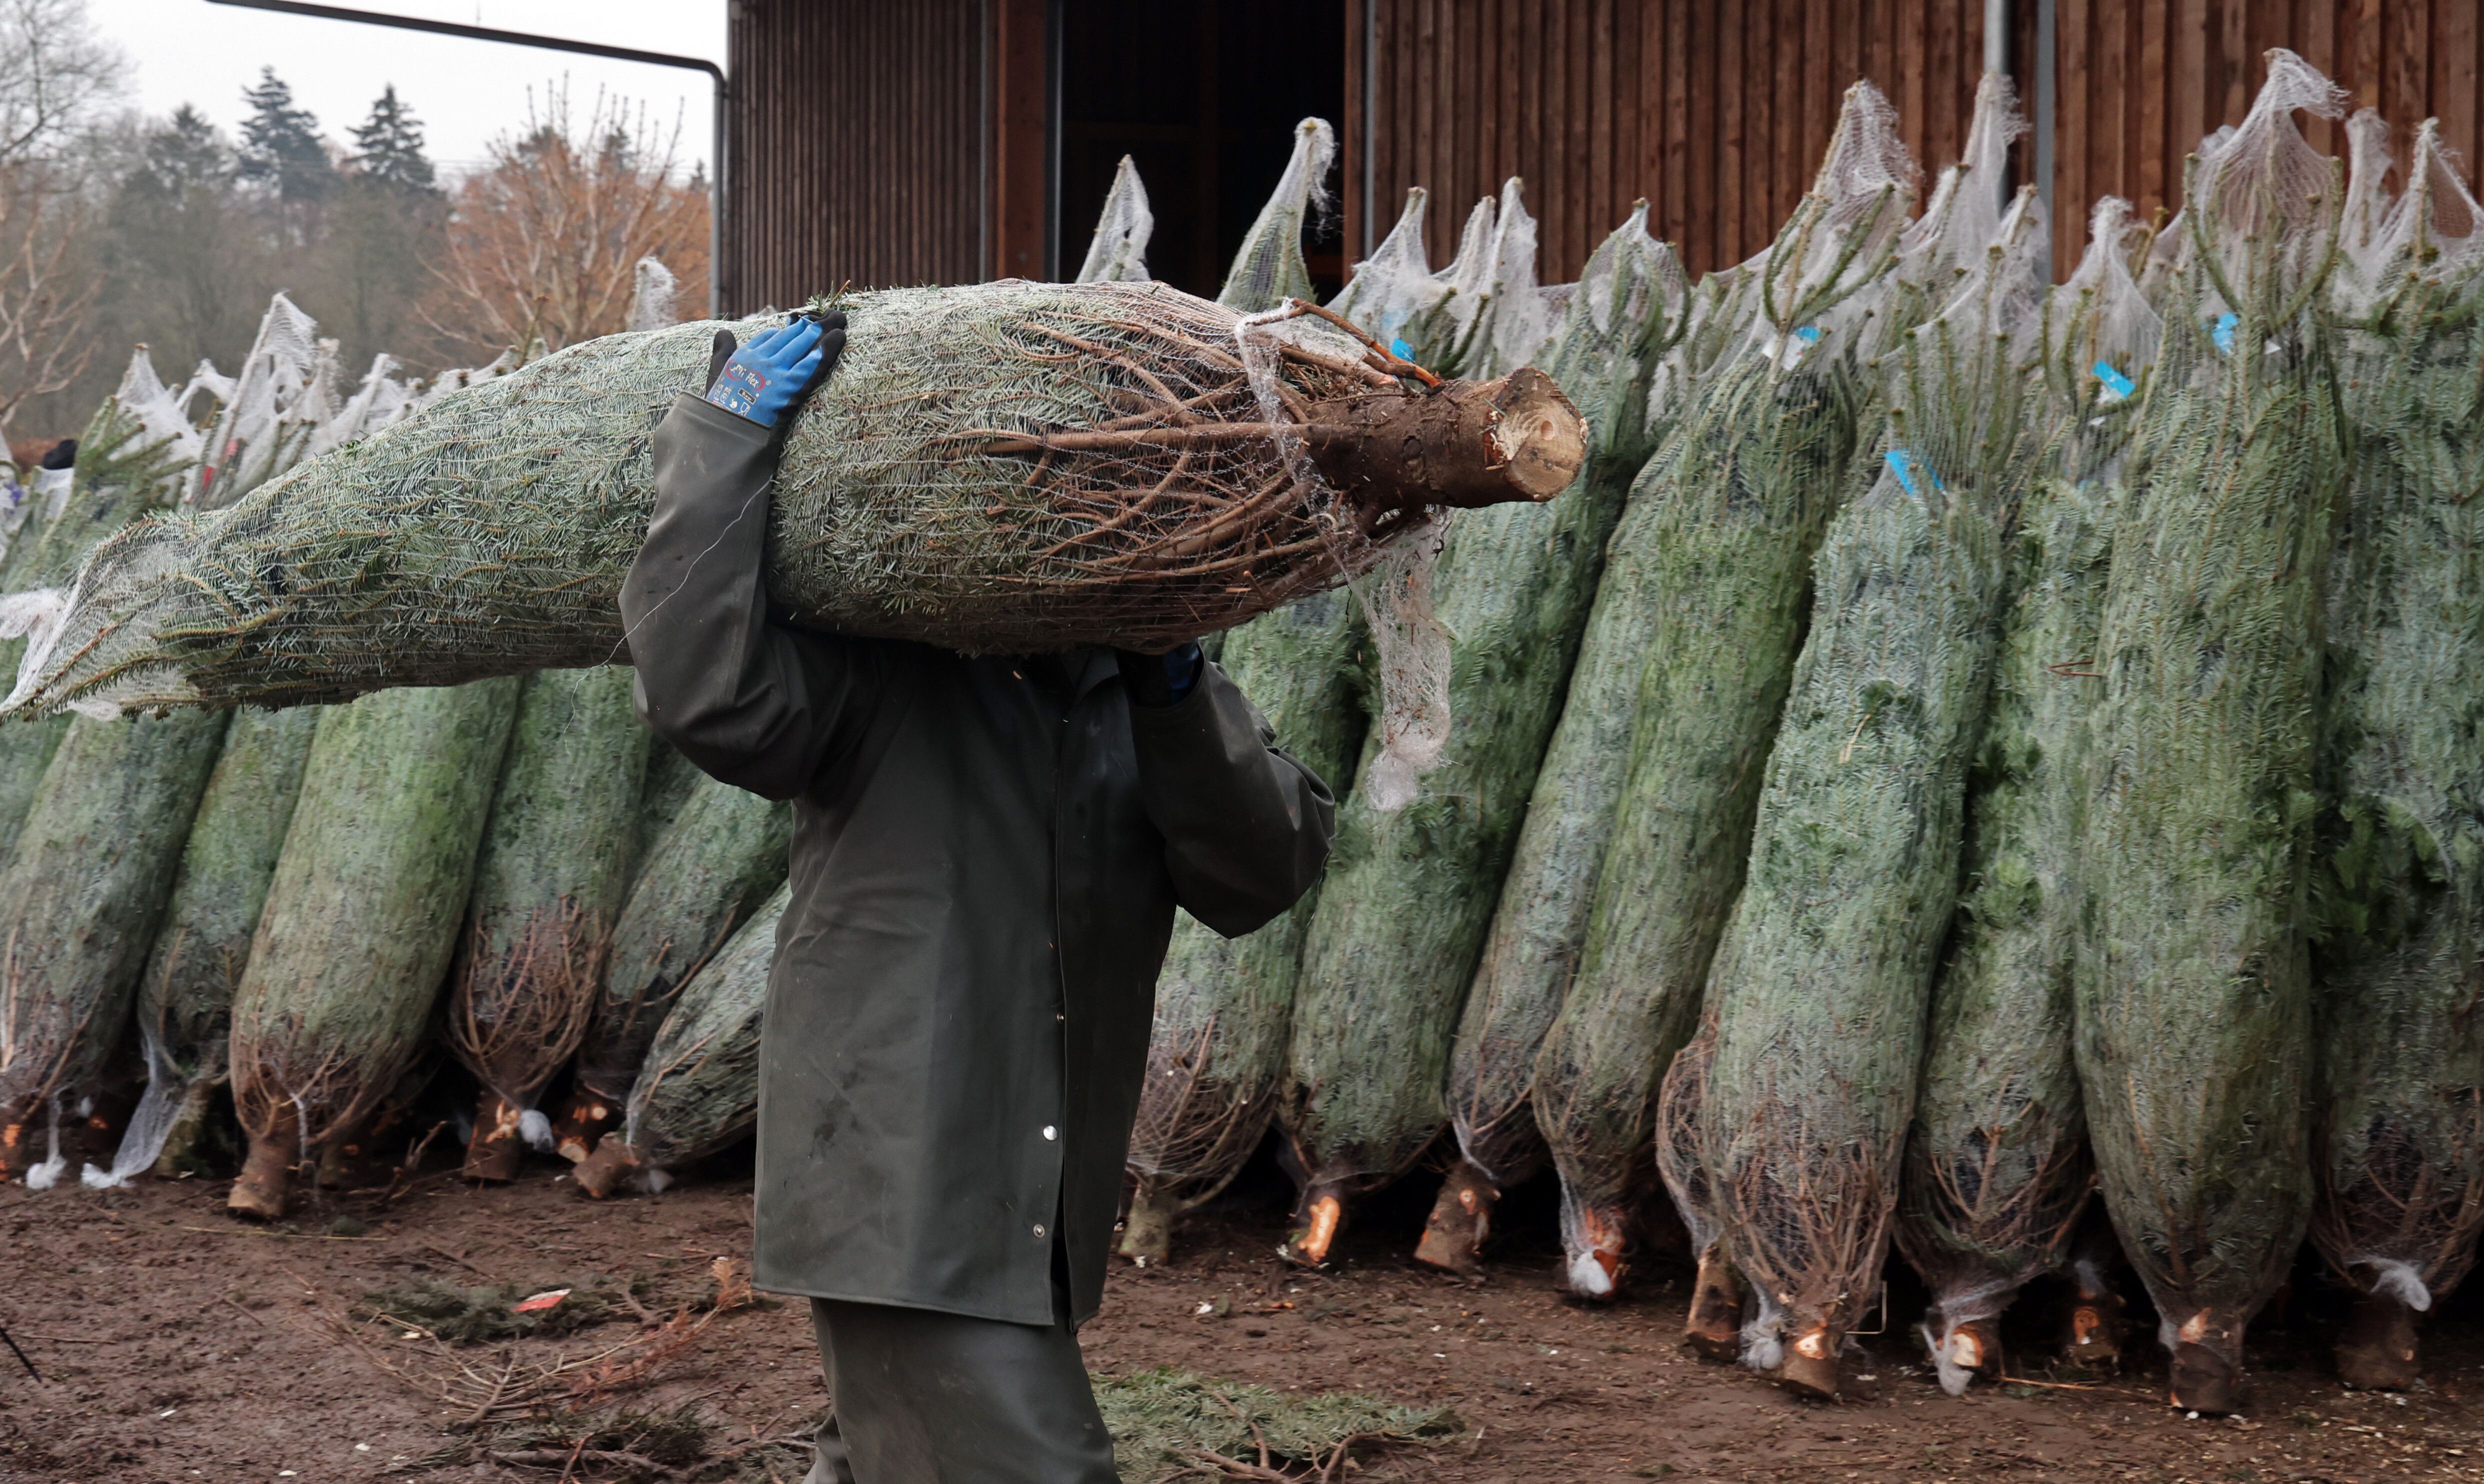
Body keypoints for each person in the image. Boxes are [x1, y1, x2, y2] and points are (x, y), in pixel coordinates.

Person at [620, 313, 1336, 1483]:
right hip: (902, 1189)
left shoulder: (1145, 696)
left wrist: (1174, 679)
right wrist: (719, 442)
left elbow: (1260, 871)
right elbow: (710, 694)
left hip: (1023, 1206)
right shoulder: (900, 671)